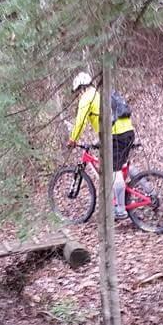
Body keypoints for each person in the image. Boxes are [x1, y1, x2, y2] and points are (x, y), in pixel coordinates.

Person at [66, 71, 136, 219]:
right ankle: (147, 188)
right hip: (127, 131)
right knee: (121, 163)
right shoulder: (100, 93)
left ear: (81, 88)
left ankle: (120, 209)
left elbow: (81, 122)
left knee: (114, 170)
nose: (78, 94)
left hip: (116, 135)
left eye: (78, 91)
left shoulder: (87, 98)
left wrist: (73, 139)